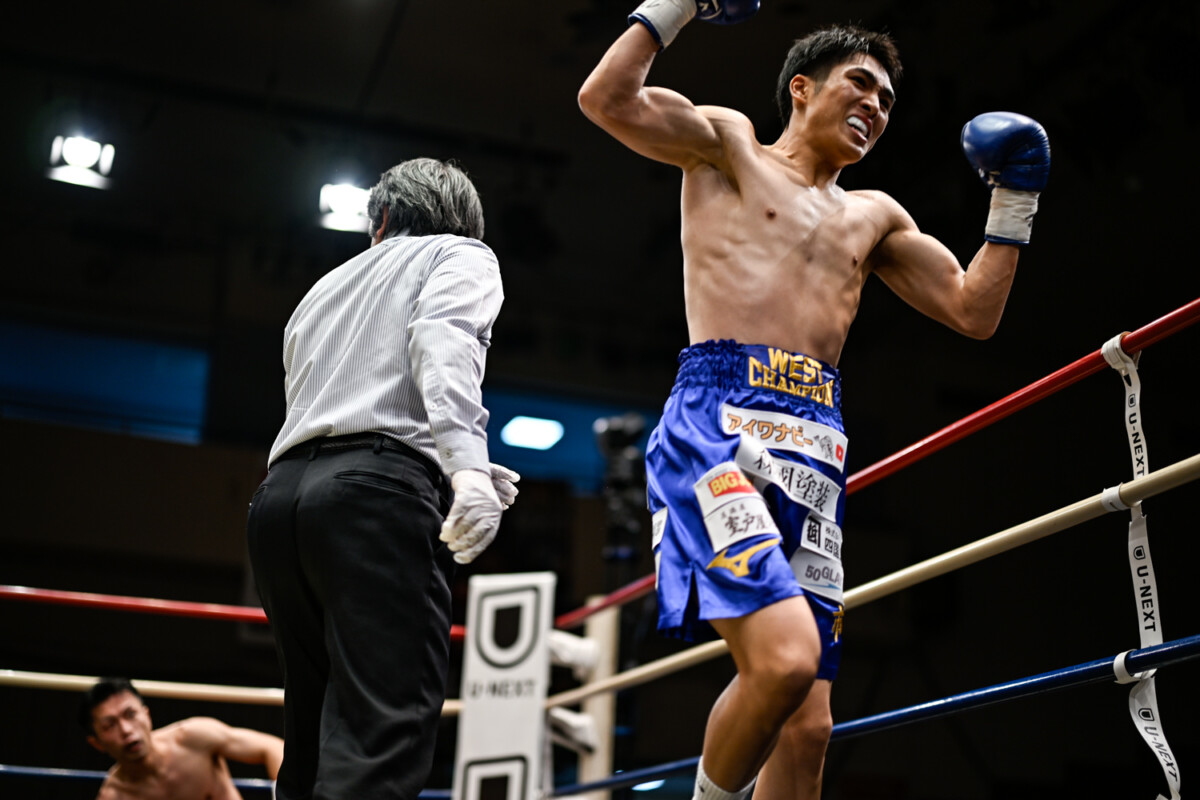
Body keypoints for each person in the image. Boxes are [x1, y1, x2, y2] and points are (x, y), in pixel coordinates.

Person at [578, 3, 1049, 800]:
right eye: (859, 84)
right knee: (786, 659)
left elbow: (974, 311)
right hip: (717, 430)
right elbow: (606, 100)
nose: (875, 105)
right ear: (800, 89)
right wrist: (681, 4)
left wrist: (1016, 201)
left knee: (808, 731)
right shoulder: (726, 146)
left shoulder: (875, 216)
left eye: (888, 102)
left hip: (816, 455)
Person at [245, 157, 518, 800]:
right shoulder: (464, 255)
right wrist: (466, 469)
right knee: (380, 731)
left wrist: (452, 466)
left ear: (384, 218)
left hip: (280, 502)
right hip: (373, 501)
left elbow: (338, 409)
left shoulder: (321, 287)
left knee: (311, 733)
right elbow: (443, 346)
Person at [80, 677, 283, 800]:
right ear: (96, 743)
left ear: (147, 715)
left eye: (130, 714)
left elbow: (272, 748)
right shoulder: (115, 796)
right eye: (110, 725)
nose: (125, 729)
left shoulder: (192, 738)